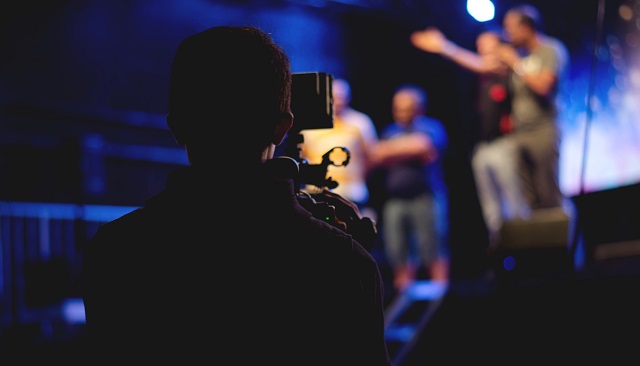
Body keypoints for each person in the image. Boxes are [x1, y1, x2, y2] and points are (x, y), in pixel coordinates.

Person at [80, 26, 392, 365]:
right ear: (283, 126)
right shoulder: (343, 262)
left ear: (176, 125)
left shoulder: (115, 249)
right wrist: (356, 264)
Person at [410, 27, 531, 246]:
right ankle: (503, 254)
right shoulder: (479, 77)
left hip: (505, 144)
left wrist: (444, 47)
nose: (483, 51)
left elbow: (483, 65)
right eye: (479, 46)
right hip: (482, 148)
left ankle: (525, 249)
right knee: (492, 210)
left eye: (488, 45)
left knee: (514, 205)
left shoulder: (508, 67)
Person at [371, 84, 449, 291]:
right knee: (398, 251)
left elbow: (424, 146)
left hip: (425, 197)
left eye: (407, 108)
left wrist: (391, 151)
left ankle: (440, 296)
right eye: (398, 108)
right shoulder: (389, 131)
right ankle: (403, 297)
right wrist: (404, 149)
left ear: (419, 109)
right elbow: (376, 154)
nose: (401, 113)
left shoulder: (432, 127)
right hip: (395, 200)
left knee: (432, 247)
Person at [498, 4, 569, 211]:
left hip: (543, 129)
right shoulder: (520, 56)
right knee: (531, 201)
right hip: (520, 133)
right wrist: (446, 49)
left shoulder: (550, 50)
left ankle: (566, 242)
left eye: (509, 28)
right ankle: (542, 242)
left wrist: (516, 64)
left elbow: (543, 87)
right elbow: (481, 65)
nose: (506, 34)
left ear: (526, 27)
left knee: (550, 195)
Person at [299, 77, 379, 219]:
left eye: (342, 97)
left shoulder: (360, 123)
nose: (338, 101)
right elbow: (303, 156)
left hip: (352, 193)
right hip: (318, 195)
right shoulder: (311, 125)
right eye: (335, 97)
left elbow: (371, 156)